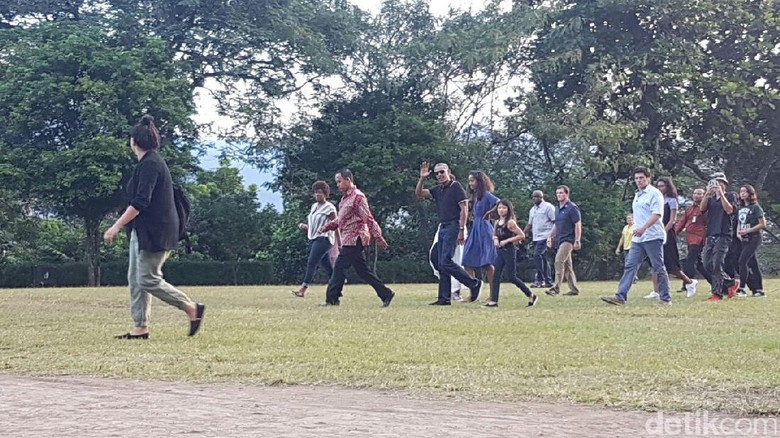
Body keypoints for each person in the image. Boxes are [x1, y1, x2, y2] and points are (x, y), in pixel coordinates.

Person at [104, 115, 204, 339]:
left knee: (147, 278)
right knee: (136, 278)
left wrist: (115, 227)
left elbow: (140, 202)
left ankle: (191, 308)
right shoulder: (147, 163)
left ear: (133, 141)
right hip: (143, 232)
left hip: (156, 232)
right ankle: (140, 327)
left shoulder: (150, 164)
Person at [318, 169, 395, 307]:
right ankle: (386, 293)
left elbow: (368, 218)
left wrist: (378, 236)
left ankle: (332, 299)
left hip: (356, 238)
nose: (338, 185)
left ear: (348, 180)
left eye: (340, 181)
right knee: (362, 271)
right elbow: (340, 221)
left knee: (339, 267)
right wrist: (325, 228)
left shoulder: (358, 197)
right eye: (337, 182)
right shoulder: (345, 199)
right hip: (348, 237)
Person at [601, 167, 672, 306]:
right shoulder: (638, 195)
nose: (638, 181)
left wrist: (643, 228)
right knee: (630, 265)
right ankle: (620, 296)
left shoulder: (654, 193)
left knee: (658, 267)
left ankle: (665, 298)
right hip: (638, 238)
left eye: (641, 178)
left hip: (652, 236)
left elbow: (657, 214)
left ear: (648, 178)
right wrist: (637, 229)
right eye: (636, 178)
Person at [416, 162, 483, 305]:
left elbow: (464, 208)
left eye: (442, 172)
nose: (439, 175)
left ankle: (474, 283)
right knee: (439, 261)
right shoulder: (438, 189)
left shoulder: (456, 187)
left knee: (445, 261)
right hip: (443, 226)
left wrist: (461, 229)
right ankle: (444, 298)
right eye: (437, 173)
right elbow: (419, 193)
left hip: (453, 225)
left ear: (448, 172)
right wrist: (422, 179)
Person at [646, 177, 698, 298]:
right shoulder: (656, 199)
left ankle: (689, 282)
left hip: (667, 234)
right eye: (658, 186)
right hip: (654, 233)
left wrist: (663, 231)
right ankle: (656, 291)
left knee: (671, 264)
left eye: (662, 186)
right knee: (654, 262)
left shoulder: (671, 201)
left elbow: (672, 220)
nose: (660, 188)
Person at [482, 199, 537, 308]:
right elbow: (494, 234)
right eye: (499, 208)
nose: (501, 210)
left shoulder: (510, 222)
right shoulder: (497, 222)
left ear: (508, 209)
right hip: (500, 251)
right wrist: (495, 240)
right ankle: (494, 300)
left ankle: (530, 294)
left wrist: (507, 241)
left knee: (511, 276)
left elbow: (521, 235)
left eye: (504, 208)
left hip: (509, 251)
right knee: (496, 275)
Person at [292, 181, 337, 298]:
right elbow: (314, 225)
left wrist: (339, 243)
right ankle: (338, 284)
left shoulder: (329, 207)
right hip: (313, 238)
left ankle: (303, 288)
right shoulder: (314, 207)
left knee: (311, 262)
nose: (318, 195)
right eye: (316, 193)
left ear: (325, 194)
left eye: (320, 193)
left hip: (324, 239)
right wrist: (305, 227)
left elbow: (336, 224)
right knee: (328, 267)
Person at [700, 172, 740, 301]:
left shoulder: (730, 196)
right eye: (716, 183)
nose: (718, 185)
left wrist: (721, 193)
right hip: (711, 233)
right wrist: (707, 193)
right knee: (707, 264)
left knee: (717, 263)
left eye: (720, 183)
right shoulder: (711, 199)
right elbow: (702, 209)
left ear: (725, 185)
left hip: (724, 234)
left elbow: (729, 210)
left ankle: (717, 293)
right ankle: (730, 283)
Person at [461, 171, 498, 302]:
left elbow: (499, 203)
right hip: (475, 228)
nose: (470, 183)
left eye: (472, 181)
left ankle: (494, 294)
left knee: (487, 263)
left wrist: (490, 213)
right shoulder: (475, 196)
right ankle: (474, 291)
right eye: (469, 181)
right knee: (466, 260)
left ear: (479, 182)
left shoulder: (487, 195)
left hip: (485, 229)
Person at [545, 186, 582, 297]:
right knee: (567, 265)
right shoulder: (557, 208)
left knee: (558, 260)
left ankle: (556, 288)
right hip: (560, 239)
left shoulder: (572, 208)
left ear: (567, 194)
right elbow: (556, 224)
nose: (559, 195)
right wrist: (550, 236)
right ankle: (574, 289)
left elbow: (577, 224)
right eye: (557, 193)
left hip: (568, 239)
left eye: (561, 193)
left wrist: (577, 240)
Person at [676, 187, 712, 293]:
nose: (696, 195)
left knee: (690, 261)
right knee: (699, 264)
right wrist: (675, 232)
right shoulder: (689, 209)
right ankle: (714, 282)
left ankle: (687, 284)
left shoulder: (705, 208)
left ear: (704, 195)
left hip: (699, 238)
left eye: (699, 194)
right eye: (695, 193)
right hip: (689, 238)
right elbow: (682, 222)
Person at [734, 185, 766, 297]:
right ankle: (759, 289)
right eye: (741, 191)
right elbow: (739, 222)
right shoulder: (740, 208)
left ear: (750, 193)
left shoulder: (755, 207)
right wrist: (738, 233)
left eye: (745, 191)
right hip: (744, 239)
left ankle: (741, 288)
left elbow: (762, 224)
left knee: (742, 261)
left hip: (754, 237)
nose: (742, 194)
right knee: (753, 263)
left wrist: (748, 230)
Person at [524, 190, 555, 288]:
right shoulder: (533, 210)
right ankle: (548, 281)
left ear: (542, 197)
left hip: (546, 236)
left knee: (537, 255)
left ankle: (540, 279)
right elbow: (530, 224)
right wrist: (523, 233)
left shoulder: (548, 207)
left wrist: (552, 236)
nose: (535, 198)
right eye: (533, 197)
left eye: (537, 197)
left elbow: (555, 221)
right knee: (544, 259)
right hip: (536, 237)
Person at [429, 225, 467, 301]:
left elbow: (464, 213)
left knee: (455, 259)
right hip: (444, 225)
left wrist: (461, 229)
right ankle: (446, 292)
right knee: (437, 257)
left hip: (455, 225)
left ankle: (457, 291)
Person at [615, 213, 638, 283]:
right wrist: (618, 248)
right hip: (626, 247)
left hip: (633, 247)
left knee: (629, 263)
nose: (629, 220)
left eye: (630, 218)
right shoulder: (625, 227)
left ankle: (632, 277)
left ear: (633, 219)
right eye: (627, 218)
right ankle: (633, 277)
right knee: (627, 263)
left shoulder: (636, 226)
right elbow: (622, 238)